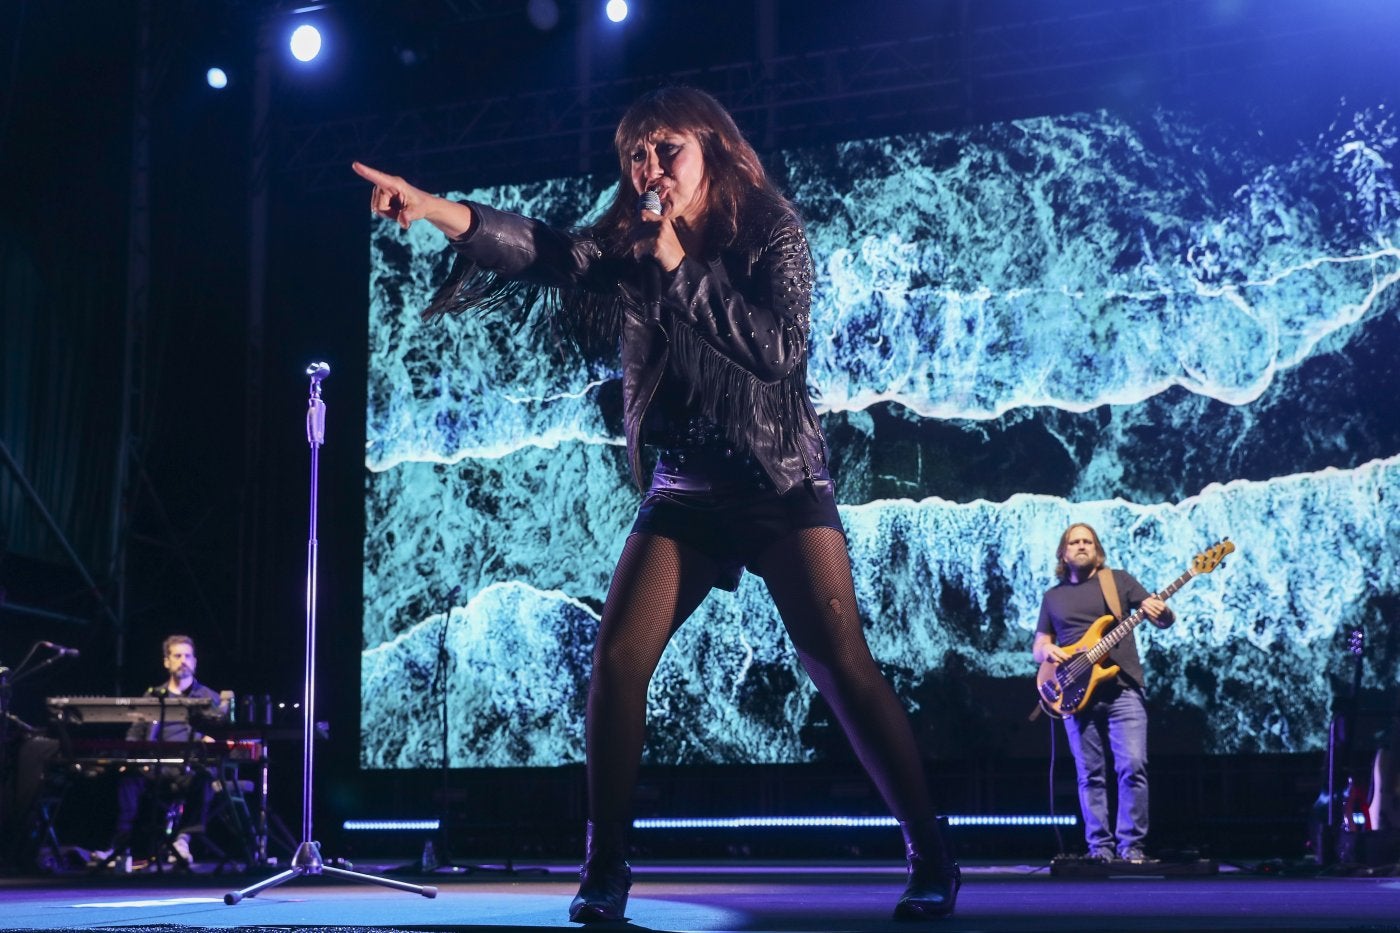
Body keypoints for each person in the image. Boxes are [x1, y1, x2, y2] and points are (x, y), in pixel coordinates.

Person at [353, 86, 959, 922]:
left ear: (711, 148)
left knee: (840, 663)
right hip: (682, 489)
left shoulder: (771, 230)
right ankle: (605, 870)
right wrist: (439, 210)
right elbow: (545, 251)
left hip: (777, 481)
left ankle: (931, 853)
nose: (648, 169)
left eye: (665, 150)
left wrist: (679, 266)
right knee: (617, 664)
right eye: (636, 154)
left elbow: (779, 350)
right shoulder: (631, 238)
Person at [1032, 523, 1174, 863]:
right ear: (1063, 553)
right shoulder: (1053, 597)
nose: (1082, 546)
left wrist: (1163, 611)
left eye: (1088, 541)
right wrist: (1048, 652)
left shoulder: (1118, 581)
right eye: (1074, 542)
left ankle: (1132, 846)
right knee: (1089, 775)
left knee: (1133, 766)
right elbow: (1040, 644)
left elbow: (1161, 618)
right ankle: (1100, 849)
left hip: (1122, 688)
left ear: (1097, 550)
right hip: (1073, 692)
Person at [99, 634, 227, 868]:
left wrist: (204, 741)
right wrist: (134, 758)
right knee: (129, 779)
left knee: (204, 779)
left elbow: (221, 735)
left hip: (190, 766)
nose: (183, 661)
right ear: (167, 662)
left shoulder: (209, 698)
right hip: (156, 765)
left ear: (195, 662)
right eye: (177, 656)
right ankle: (120, 848)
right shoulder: (153, 697)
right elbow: (135, 733)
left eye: (188, 656)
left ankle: (183, 840)